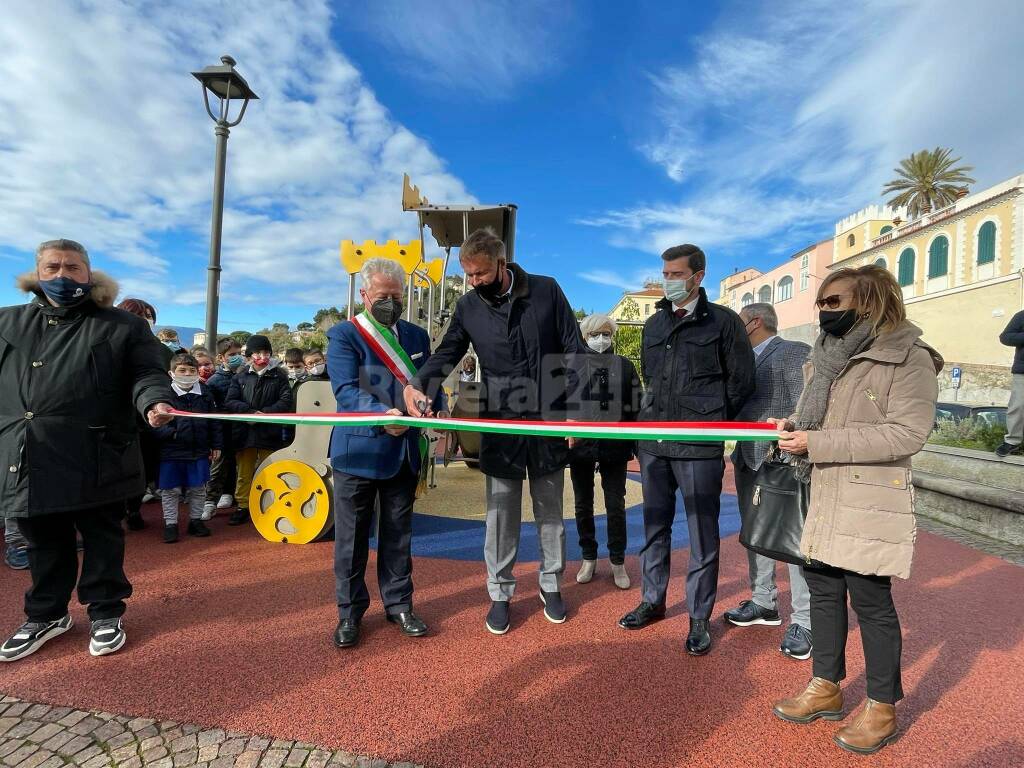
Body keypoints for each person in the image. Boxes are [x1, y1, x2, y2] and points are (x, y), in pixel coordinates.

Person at [770, 265, 941, 755]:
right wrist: (793, 427)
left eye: (833, 302)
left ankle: (882, 708)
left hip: (867, 495)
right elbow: (816, 416)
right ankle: (825, 687)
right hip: (820, 491)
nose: (824, 312)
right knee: (823, 592)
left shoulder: (908, 357)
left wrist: (817, 442)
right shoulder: (823, 357)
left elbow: (908, 433)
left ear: (870, 301)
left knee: (871, 602)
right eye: (821, 303)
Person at [404, 227, 587, 635]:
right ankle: (500, 592)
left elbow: (575, 348)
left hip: (547, 417)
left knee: (550, 510)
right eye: (469, 275)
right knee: (500, 513)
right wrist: (421, 385)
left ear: (502, 264)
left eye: (481, 274)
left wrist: (577, 408)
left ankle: (551, 584)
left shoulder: (546, 290)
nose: (473, 282)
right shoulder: (469, 306)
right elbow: (449, 350)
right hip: (500, 419)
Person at [0, 239, 174, 662]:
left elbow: (148, 372)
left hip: (98, 452)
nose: (62, 276)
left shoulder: (122, 325)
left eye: (73, 268)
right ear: (37, 272)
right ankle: (46, 615)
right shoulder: (7, 322)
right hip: (27, 454)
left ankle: (105, 612)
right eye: (53, 267)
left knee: (102, 539)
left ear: (89, 273)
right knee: (42, 541)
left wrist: (153, 401)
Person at [618, 244, 754, 656]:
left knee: (701, 532)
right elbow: (650, 377)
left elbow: (741, 383)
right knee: (654, 527)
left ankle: (699, 619)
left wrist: (709, 418)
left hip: (697, 445)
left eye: (676, 274)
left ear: (698, 276)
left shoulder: (725, 323)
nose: (668, 280)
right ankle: (653, 601)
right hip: (654, 443)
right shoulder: (654, 324)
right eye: (665, 273)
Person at [328, 258, 446, 648]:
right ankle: (349, 613)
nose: (390, 304)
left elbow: (428, 381)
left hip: (403, 452)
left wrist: (434, 406)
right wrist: (383, 415)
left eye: (396, 297)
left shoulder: (415, 336)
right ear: (365, 295)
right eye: (383, 297)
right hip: (358, 451)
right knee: (352, 539)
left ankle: (399, 604)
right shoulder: (345, 335)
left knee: (399, 535)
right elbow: (345, 390)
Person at [721, 303, 813, 659]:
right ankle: (764, 602)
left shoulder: (793, 352)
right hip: (746, 459)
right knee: (756, 536)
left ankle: (804, 621)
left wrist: (787, 422)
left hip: (782, 461)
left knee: (792, 541)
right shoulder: (739, 359)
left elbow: (808, 403)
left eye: (738, 323)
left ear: (755, 323)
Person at [568, 313, 641, 589]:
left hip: (615, 445)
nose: (601, 339)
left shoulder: (624, 366)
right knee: (582, 504)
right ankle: (588, 557)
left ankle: (617, 561)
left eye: (606, 334)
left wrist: (637, 445)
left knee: (615, 504)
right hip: (581, 448)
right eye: (596, 334)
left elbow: (636, 406)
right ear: (585, 337)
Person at [223, 334, 294, 525]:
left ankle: (271, 504)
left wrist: (266, 414)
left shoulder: (279, 376)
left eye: (266, 352)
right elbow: (230, 401)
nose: (262, 356)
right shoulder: (239, 377)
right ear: (249, 356)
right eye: (257, 352)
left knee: (270, 471)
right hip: (244, 433)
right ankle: (243, 506)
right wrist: (250, 413)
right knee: (244, 473)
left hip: (269, 432)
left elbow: (286, 401)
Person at [153, 353, 222, 543]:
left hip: (198, 451)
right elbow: (154, 424)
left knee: (198, 488)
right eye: (182, 370)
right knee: (170, 490)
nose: (187, 374)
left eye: (192, 370)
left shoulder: (206, 392)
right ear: (171, 372)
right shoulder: (163, 394)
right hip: (171, 452)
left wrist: (216, 444)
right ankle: (171, 524)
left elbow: (214, 421)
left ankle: (196, 521)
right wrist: (172, 434)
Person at [117, 297, 171, 529]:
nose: (145, 321)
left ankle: (134, 510)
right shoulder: (109, 344)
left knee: (147, 468)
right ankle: (116, 514)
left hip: (150, 419)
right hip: (117, 422)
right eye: (139, 316)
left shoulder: (162, 350)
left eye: (149, 317)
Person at [204, 337, 244, 517]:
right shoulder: (213, 381)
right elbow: (212, 411)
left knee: (240, 467)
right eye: (232, 355)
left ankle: (233, 496)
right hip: (223, 431)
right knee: (218, 468)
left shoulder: (246, 376)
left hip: (243, 431)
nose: (237, 357)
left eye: (239, 354)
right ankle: (209, 502)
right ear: (221, 358)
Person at [996, 310, 1024, 457]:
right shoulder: (1021, 316)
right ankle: (1012, 441)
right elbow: (1005, 337)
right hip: (1023, 371)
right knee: (1018, 406)